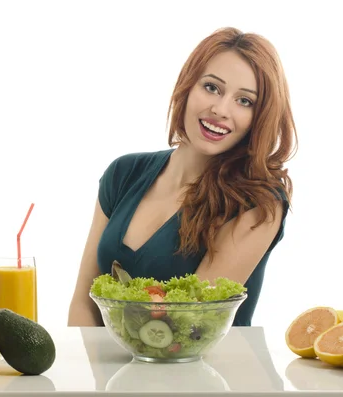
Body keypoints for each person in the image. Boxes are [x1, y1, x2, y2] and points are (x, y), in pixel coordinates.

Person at [67, 27, 297, 327]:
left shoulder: (257, 202)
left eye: (245, 101)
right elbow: (84, 304)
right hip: (117, 372)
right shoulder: (122, 174)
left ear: (260, 117)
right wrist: (91, 373)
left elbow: (188, 325)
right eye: (212, 87)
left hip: (214, 374)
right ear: (188, 86)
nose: (220, 109)